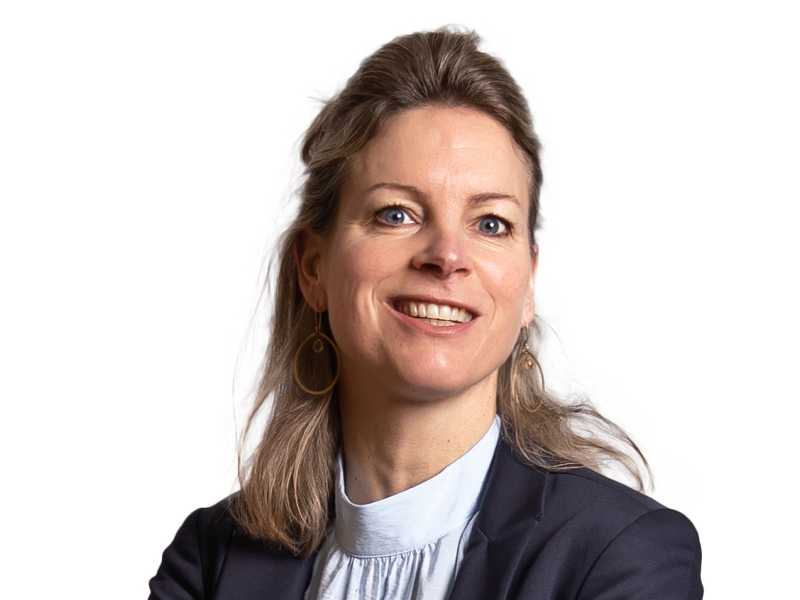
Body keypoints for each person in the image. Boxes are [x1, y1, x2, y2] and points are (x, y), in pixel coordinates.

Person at [148, 26, 703, 599]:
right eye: (396, 214)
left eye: (491, 223)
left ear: (528, 284)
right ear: (313, 268)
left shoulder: (622, 555)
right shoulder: (211, 558)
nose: (447, 256)